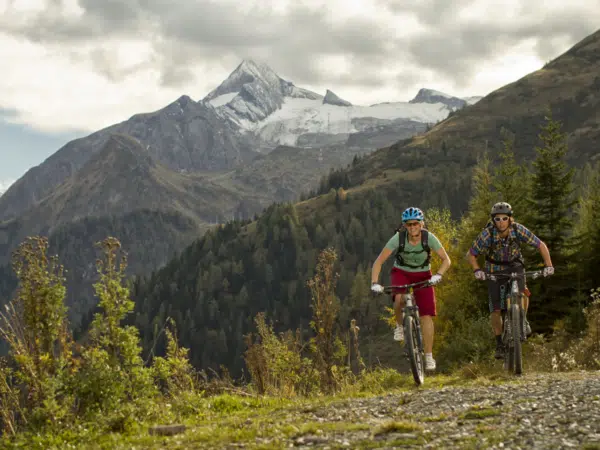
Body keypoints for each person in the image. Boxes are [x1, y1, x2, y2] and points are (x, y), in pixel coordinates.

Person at [467, 202, 554, 359]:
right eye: (497, 219)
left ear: (510, 219)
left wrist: (549, 266)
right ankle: (499, 343)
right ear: (493, 220)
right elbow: (471, 254)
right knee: (495, 308)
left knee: (523, 292)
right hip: (494, 269)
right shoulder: (487, 234)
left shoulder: (517, 229)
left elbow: (540, 245)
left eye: (504, 218)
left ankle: (522, 319)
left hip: (515, 265)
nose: (501, 222)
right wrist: (477, 270)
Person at [371, 207, 451, 371]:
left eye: (415, 223)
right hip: (402, 272)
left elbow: (446, 260)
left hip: (423, 274)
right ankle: (400, 326)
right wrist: (374, 283)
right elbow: (378, 261)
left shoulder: (429, 238)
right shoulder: (398, 238)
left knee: (426, 315)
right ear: (404, 226)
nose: (412, 227)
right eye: (408, 224)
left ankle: (428, 356)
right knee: (399, 298)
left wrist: (438, 275)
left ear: (421, 223)